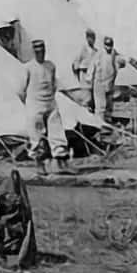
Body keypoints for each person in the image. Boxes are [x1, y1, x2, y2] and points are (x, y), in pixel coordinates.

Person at [18, 39, 72, 175]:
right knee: (36, 137)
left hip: (50, 102)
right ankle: (40, 167)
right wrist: (29, 104)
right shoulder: (28, 68)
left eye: (42, 50)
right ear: (33, 52)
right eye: (37, 51)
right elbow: (21, 90)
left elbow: (54, 84)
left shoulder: (51, 66)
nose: (40, 53)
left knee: (57, 132)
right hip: (35, 104)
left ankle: (61, 164)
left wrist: (50, 99)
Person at [90, 36, 122, 122]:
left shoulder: (114, 53)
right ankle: (99, 123)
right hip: (99, 82)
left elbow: (119, 61)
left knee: (109, 104)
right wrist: (89, 78)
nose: (109, 47)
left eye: (110, 45)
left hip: (110, 82)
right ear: (104, 45)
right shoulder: (99, 54)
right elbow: (92, 66)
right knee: (100, 105)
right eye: (107, 45)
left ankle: (108, 120)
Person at [71, 29, 101, 108]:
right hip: (84, 76)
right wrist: (78, 76)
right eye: (90, 38)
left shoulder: (96, 51)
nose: (92, 40)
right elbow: (75, 64)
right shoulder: (82, 50)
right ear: (87, 38)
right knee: (86, 98)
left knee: (93, 99)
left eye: (93, 38)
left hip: (93, 78)